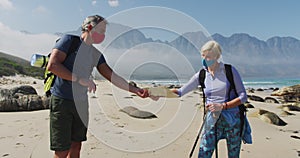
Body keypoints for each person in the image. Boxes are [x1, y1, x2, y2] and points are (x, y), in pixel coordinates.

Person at [47, 15, 149, 158]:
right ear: (89, 28)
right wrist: (80, 80)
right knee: (62, 150)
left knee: (76, 146)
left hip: (81, 104)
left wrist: (135, 90)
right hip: (62, 101)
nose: (103, 35)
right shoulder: (69, 41)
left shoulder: (95, 54)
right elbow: (53, 65)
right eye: (101, 30)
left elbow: (112, 76)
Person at [172, 40, 252, 158]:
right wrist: (157, 93)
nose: (205, 59)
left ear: (217, 56)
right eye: (203, 56)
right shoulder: (202, 75)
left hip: (233, 121)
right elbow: (180, 92)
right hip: (212, 120)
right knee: (203, 153)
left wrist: (223, 106)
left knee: (233, 155)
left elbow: (243, 96)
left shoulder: (229, 71)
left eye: (208, 56)